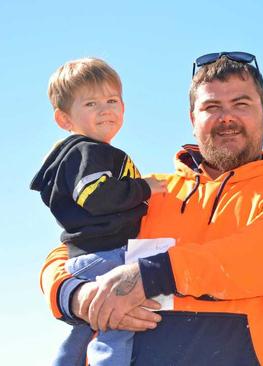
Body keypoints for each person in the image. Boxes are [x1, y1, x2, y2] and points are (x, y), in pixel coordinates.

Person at [39, 52, 263, 365]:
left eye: (241, 104)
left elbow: (259, 255)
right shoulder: (148, 190)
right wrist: (75, 296)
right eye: (211, 107)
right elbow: (70, 252)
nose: (226, 117)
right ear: (193, 119)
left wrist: (152, 274)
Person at [31, 58, 167, 366]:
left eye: (112, 100)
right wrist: (144, 188)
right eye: (91, 103)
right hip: (107, 255)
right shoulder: (89, 151)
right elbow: (95, 196)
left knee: (83, 328)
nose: (105, 110)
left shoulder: (76, 154)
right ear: (64, 118)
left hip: (85, 257)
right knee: (118, 324)